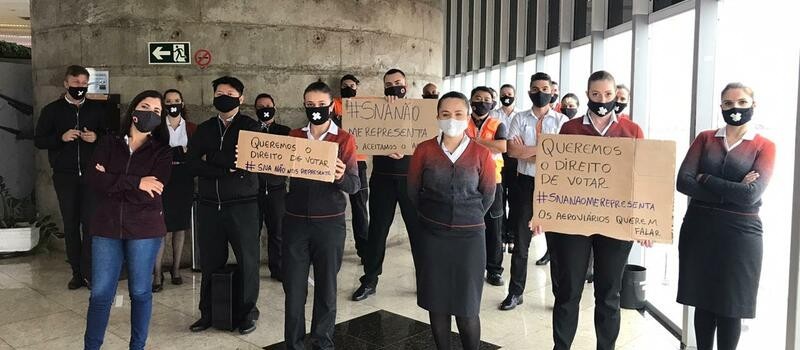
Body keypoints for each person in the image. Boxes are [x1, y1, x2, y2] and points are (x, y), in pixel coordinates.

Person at [533, 71, 652, 350]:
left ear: (616, 96)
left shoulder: (631, 131)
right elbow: (556, 176)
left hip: (616, 222)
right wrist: (543, 212)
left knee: (609, 294)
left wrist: (647, 223)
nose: (602, 100)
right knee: (568, 290)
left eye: (608, 95)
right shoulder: (570, 129)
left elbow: (644, 178)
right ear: (587, 94)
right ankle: (561, 347)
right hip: (574, 223)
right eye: (596, 95)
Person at [676, 82, 775, 350]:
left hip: (741, 235)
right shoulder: (706, 138)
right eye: (729, 103)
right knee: (703, 300)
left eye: (742, 103)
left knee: (732, 305)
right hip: (700, 228)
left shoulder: (764, 145)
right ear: (721, 107)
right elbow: (683, 182)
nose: (735, 108)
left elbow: (750, 195)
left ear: (753, 105)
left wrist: (706, 178)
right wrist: (734, 187)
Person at [408, 91, 496, 350]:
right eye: (445, 114)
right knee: (437, 303)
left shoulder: (481, 153)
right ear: (437, 117)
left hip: (469, 238)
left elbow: (488, 194)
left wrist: (467, 216)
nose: (452, 119)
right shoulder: (424, 150)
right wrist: (433, 215)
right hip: (433, 236)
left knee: (467, 308)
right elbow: (413, 191)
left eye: (458, 114)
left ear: (468, 117)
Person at [84, 90, 171, 350]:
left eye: (157, 111)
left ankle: (137, 346)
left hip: (145, 229)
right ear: (133, 111)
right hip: (106, 227)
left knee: (141, 292)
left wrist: (112, 180)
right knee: (100, 294)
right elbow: (93, 179)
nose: (151, 113)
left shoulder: (162, 152)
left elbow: (154, 191)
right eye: (146, 107)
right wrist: (136, 182)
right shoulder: (109, 143)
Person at [282, 81, 360, 350]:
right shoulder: (294, 136)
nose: (316, 110)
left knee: (326, 288)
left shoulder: (345, 139)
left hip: (330, 224)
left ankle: (322, 341)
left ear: (331, 107)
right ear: (304, 105)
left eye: (321, 105)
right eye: (310, 105)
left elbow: (355, 185)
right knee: (294, 289)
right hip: (295, 223)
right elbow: (273, 169)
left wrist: (340, 177)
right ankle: (294, 343)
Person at [187, 76, 262, 335]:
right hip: (209, 206)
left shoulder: (251, 127)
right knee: (210, 262)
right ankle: (207, 313)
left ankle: (248, 314)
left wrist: (213, 158)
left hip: (243, 206)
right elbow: (192, 163)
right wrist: (224, 167)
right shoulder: (205, 128)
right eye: (219, 92)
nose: (223, 96)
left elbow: (248, 162)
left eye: (229, 92)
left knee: (248, 262)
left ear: (241, 98)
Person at [501, 72, 569, 311]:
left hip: (553, 187)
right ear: (529, 91)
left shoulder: (561, 121)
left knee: (556, 243)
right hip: (525, 185)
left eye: (545, 88)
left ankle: (560, 296)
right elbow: (511, 151)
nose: (540, 92)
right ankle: (515, 293)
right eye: (535, 88)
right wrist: (543, 151)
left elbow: (561, 155)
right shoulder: (519, 118)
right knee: (521, 243)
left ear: (552, 91)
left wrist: (527, 150)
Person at [352, 68, 420, 301]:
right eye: (389, 83)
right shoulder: (374, 110)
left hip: (411, 179)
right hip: (382, 178)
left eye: (398, 82)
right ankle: (369, 280)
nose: (394, 86)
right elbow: (362, 138)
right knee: (377, 230)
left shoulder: (417, 111)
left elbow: (425, 140)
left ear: (406, 85)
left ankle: (425, 280)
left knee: (417, 231)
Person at [34, 65, 104, 290]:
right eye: (76, 83)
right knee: (71, 224)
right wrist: (61, 138)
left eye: (84, 84)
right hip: (65, 176)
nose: (80, 88)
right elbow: (39, 140)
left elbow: (111, 138)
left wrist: (96, 137)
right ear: (66, 84)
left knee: (91, 225)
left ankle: (89, 272)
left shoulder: (96, 109)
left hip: (92, 176)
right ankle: (76, 272)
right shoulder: (52, 110)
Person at [152, 89, 196, 292]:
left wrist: (174, 153)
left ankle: (176, 269)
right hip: (163, 181)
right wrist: (179, 152)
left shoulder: (193, 129)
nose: (173, 104)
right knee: (160, 228)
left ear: (183, 103)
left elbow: (195, 156)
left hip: (184, 181)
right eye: (168, 101)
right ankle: (157, 273)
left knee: (180, 227)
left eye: (176, 100)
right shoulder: (157, 128)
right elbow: (154, 154)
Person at [466, 86, 508, 286]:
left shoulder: (497, 124)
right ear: (470, 100)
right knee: (469, 226)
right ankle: (470, 266)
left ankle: (494, 270)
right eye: (477, 98)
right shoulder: (462, 121)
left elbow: (502, 146)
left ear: (492, 103)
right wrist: (485, 143)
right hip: (466, 180)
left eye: (486, 99)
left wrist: (475, 141)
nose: (482, 102)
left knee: (494, 227)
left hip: (493, 181)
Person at [534, 93, 581, 267]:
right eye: (566, 105)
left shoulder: (567, 124)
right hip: (554, 183)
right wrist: (543, 152)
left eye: (572, 105)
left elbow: (553, 155)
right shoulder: (569, 127)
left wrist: (534, 150)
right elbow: (551, 155)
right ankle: (550, 254)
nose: (569, 108)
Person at [331, 74, 370, 264]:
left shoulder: (365, 106)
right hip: (335, 160)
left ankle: (364, 250)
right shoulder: (334, 104)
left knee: (360, 208)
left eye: (352, 85)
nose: (348, 88)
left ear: (357, 87)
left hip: (358, 162)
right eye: (345, 85)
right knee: (330, 203)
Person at [254, 93, 291, 281]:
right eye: (260, 107)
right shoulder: (250, 131)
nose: (265, 109)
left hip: (277, 190)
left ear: (275, 107)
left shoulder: (285, 131)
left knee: (278, 232)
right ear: (255, 110)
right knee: (252, 232)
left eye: (268, 105)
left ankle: (278, 269)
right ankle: (251, 270)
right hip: (254, 191)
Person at [490, 84, 518, 251]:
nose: (506, 96)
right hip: (498, 158)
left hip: (514, 158)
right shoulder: (494, 114)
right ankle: (501, 234)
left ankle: (511, 234)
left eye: (509, 94)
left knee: (514, 198)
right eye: (503, 94)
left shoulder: (520, 115)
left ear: (515, 96)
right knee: (499, 198)